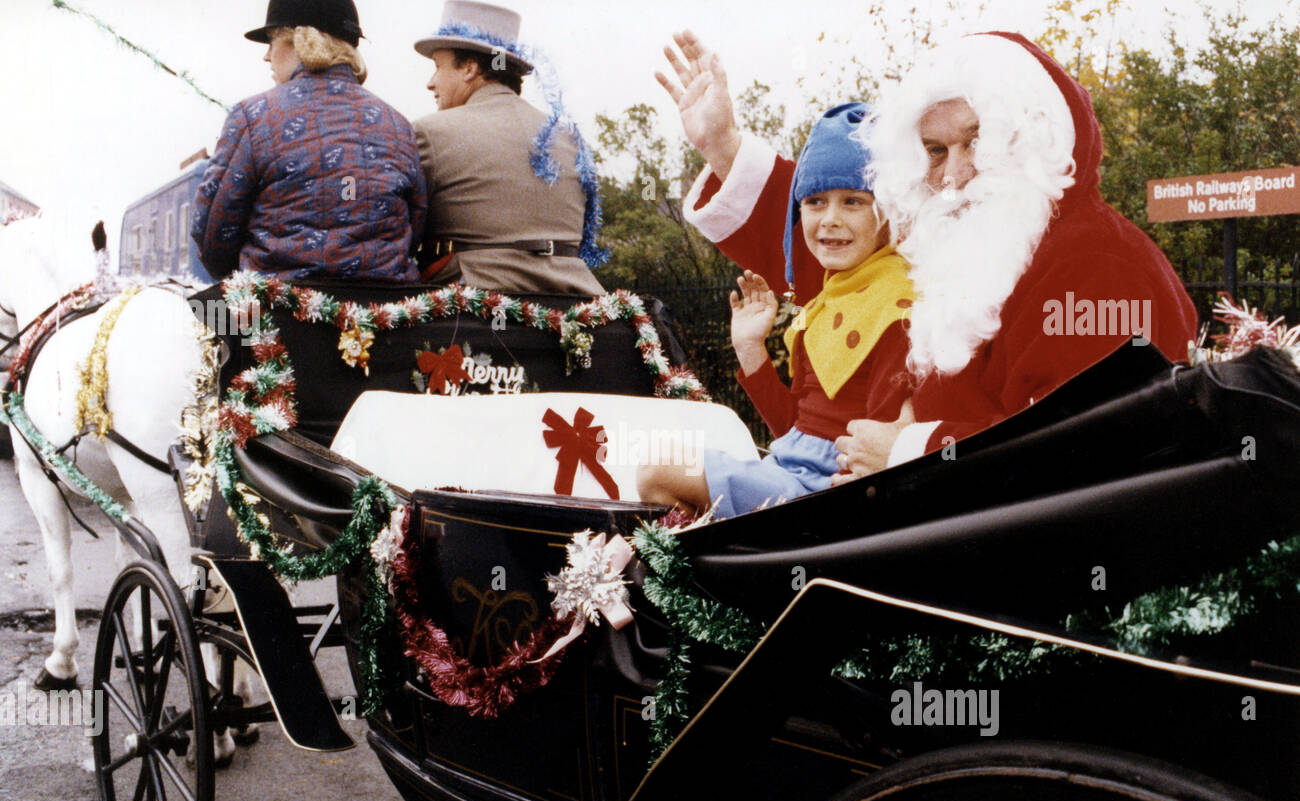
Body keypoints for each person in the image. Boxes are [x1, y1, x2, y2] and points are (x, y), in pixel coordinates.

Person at [658, 30, 1198, 478]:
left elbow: (1092, 456)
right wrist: (726, 149)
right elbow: (851, 259)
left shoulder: (1099, 262)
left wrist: (909, 450)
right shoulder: (980, 239)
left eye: (977, 141)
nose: (954, 175)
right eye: (935, 151)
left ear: (1034, 138)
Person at [637, 104, 914, 518]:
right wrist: (752, 351)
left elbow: (875, 454)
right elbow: (792, 431)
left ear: (889, 209)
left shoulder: (897, 307)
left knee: (656, 471)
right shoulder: (823, 300)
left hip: (825, 492)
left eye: (853, 201)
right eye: (815, 201)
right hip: (789, 471)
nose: (830, 220)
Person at [193, 0, 426, 282]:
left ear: (301, 41)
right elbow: (416, 221)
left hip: (279, 311)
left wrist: (241, 279)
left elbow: (212, 230)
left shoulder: (253, 116)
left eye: (271, 42)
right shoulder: (397, 124)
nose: (267, 56)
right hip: (381, 313)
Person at [411, 1, 606, 296]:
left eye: (438, 67)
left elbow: (398, 235)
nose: (430, 82)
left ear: (469, 68)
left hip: (473, 306)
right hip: (576, 304)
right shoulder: (569, 137)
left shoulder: (430, 131)